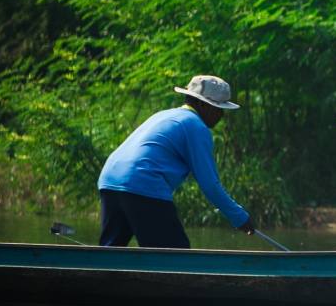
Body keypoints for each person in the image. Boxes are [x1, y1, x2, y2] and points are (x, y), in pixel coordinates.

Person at [96, 74, 255, 248]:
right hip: (143, 183)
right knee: (176, 256)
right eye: (219, 108)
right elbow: (210, 184)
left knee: (111, 252)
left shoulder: (164, 115)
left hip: (109, 181)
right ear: (203, 104)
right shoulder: (195, 126)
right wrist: (239, 217)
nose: (222, 115)